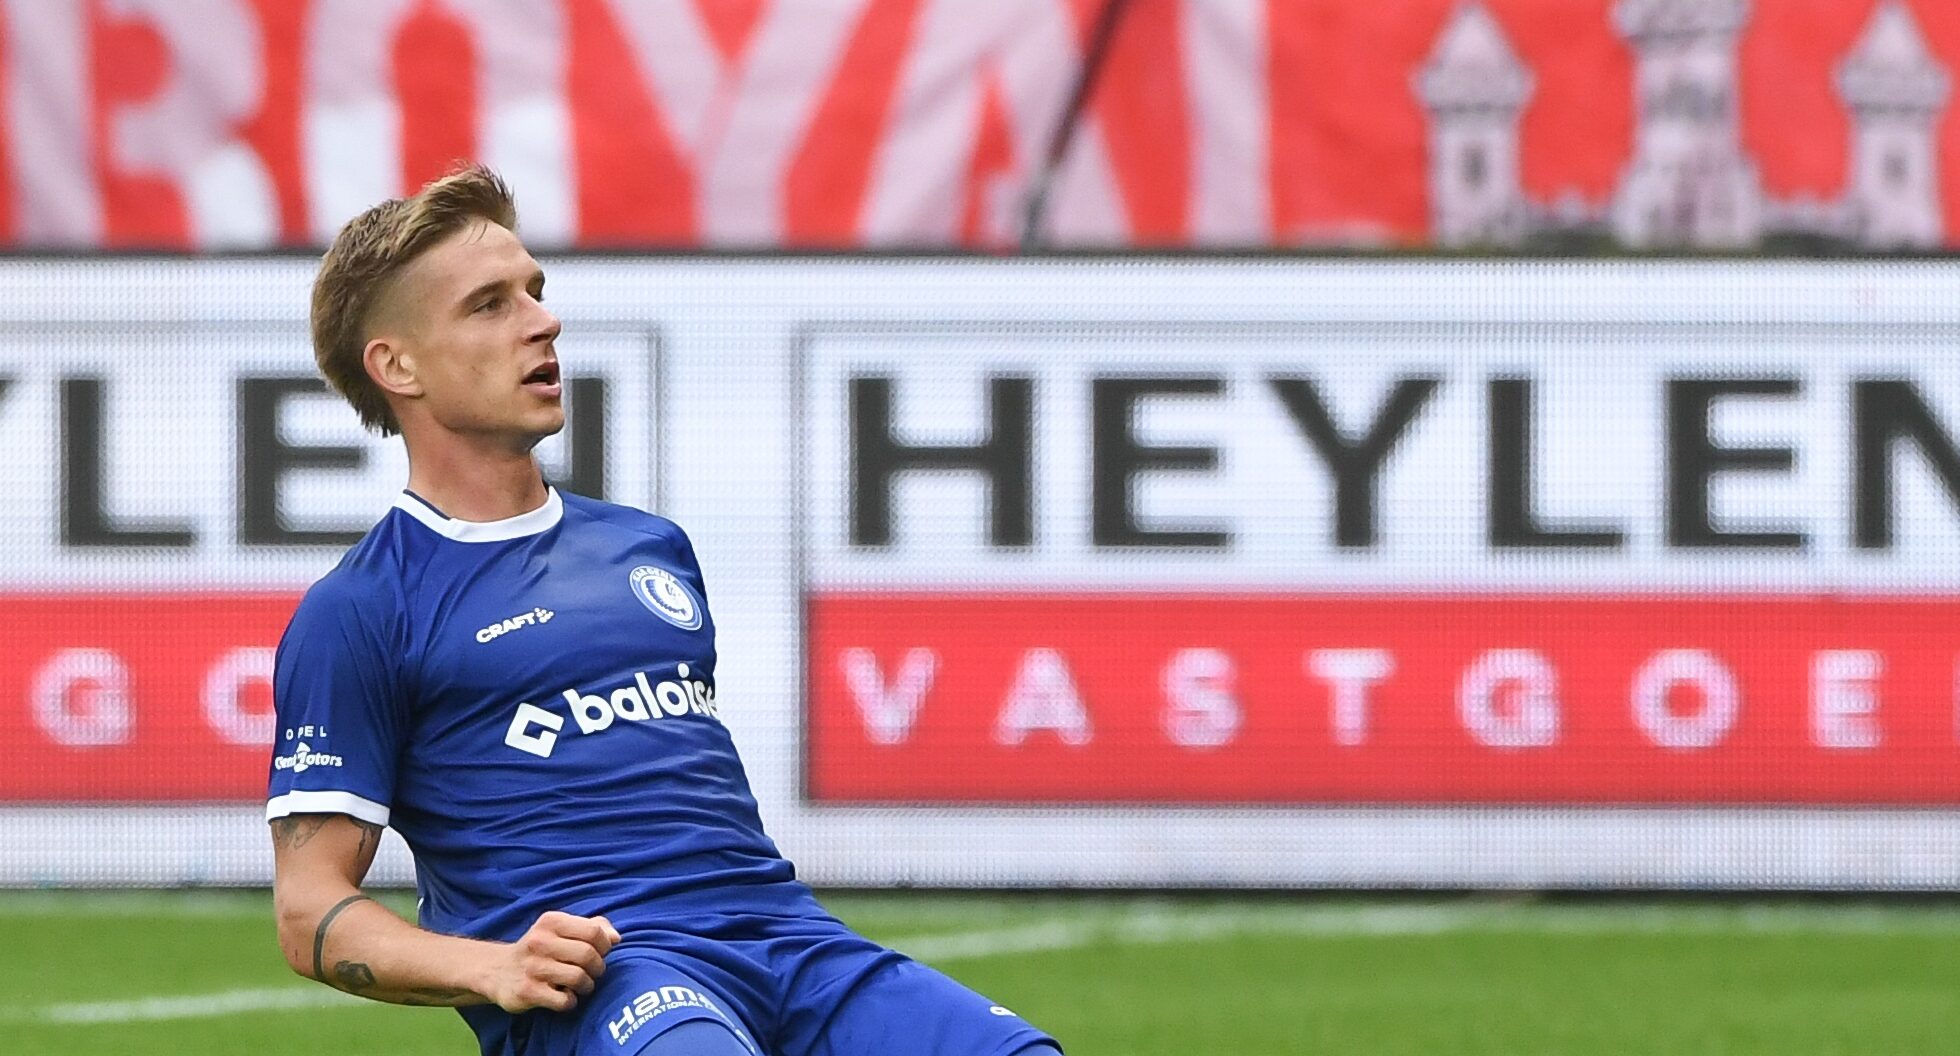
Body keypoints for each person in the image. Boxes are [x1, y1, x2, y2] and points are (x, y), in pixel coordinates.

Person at [267, 165, 1064, 1056]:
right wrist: (489, 966)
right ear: (396, 365)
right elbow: (308, 910)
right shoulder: (362, 609)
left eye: (535, 291)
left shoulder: (648, 548)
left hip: (792, 943)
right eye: (489, 305)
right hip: (616, 977)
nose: (542, 321)